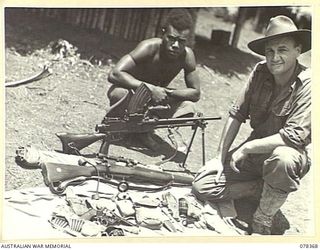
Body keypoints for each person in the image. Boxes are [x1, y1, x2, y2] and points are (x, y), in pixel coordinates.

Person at [192, 15, 311, 235]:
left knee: (283, 158)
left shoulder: (310, 84)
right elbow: (236, 114)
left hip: (286, 158)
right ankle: (260, 189)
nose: (275, 57)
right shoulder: (260, 71)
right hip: (255, 155)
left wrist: (246, 148)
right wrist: (220, 157)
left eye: (282, 50)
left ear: (298, 50)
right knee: (203, 185)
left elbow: (292, 138)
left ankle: (263, 218)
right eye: (269, 51)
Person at [106, 8, 200, 151]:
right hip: (132, 95)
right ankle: (114, 126)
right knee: (119, 93)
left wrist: (166, 93)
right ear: (163, 33)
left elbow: (195, 93)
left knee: (188, 107)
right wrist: (149, 88)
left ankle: (144, 130)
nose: (175, 45)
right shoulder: (149, 47)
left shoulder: (187, 56)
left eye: (181, 41)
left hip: (155, 101)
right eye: (171, 38)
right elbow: (115, 74)